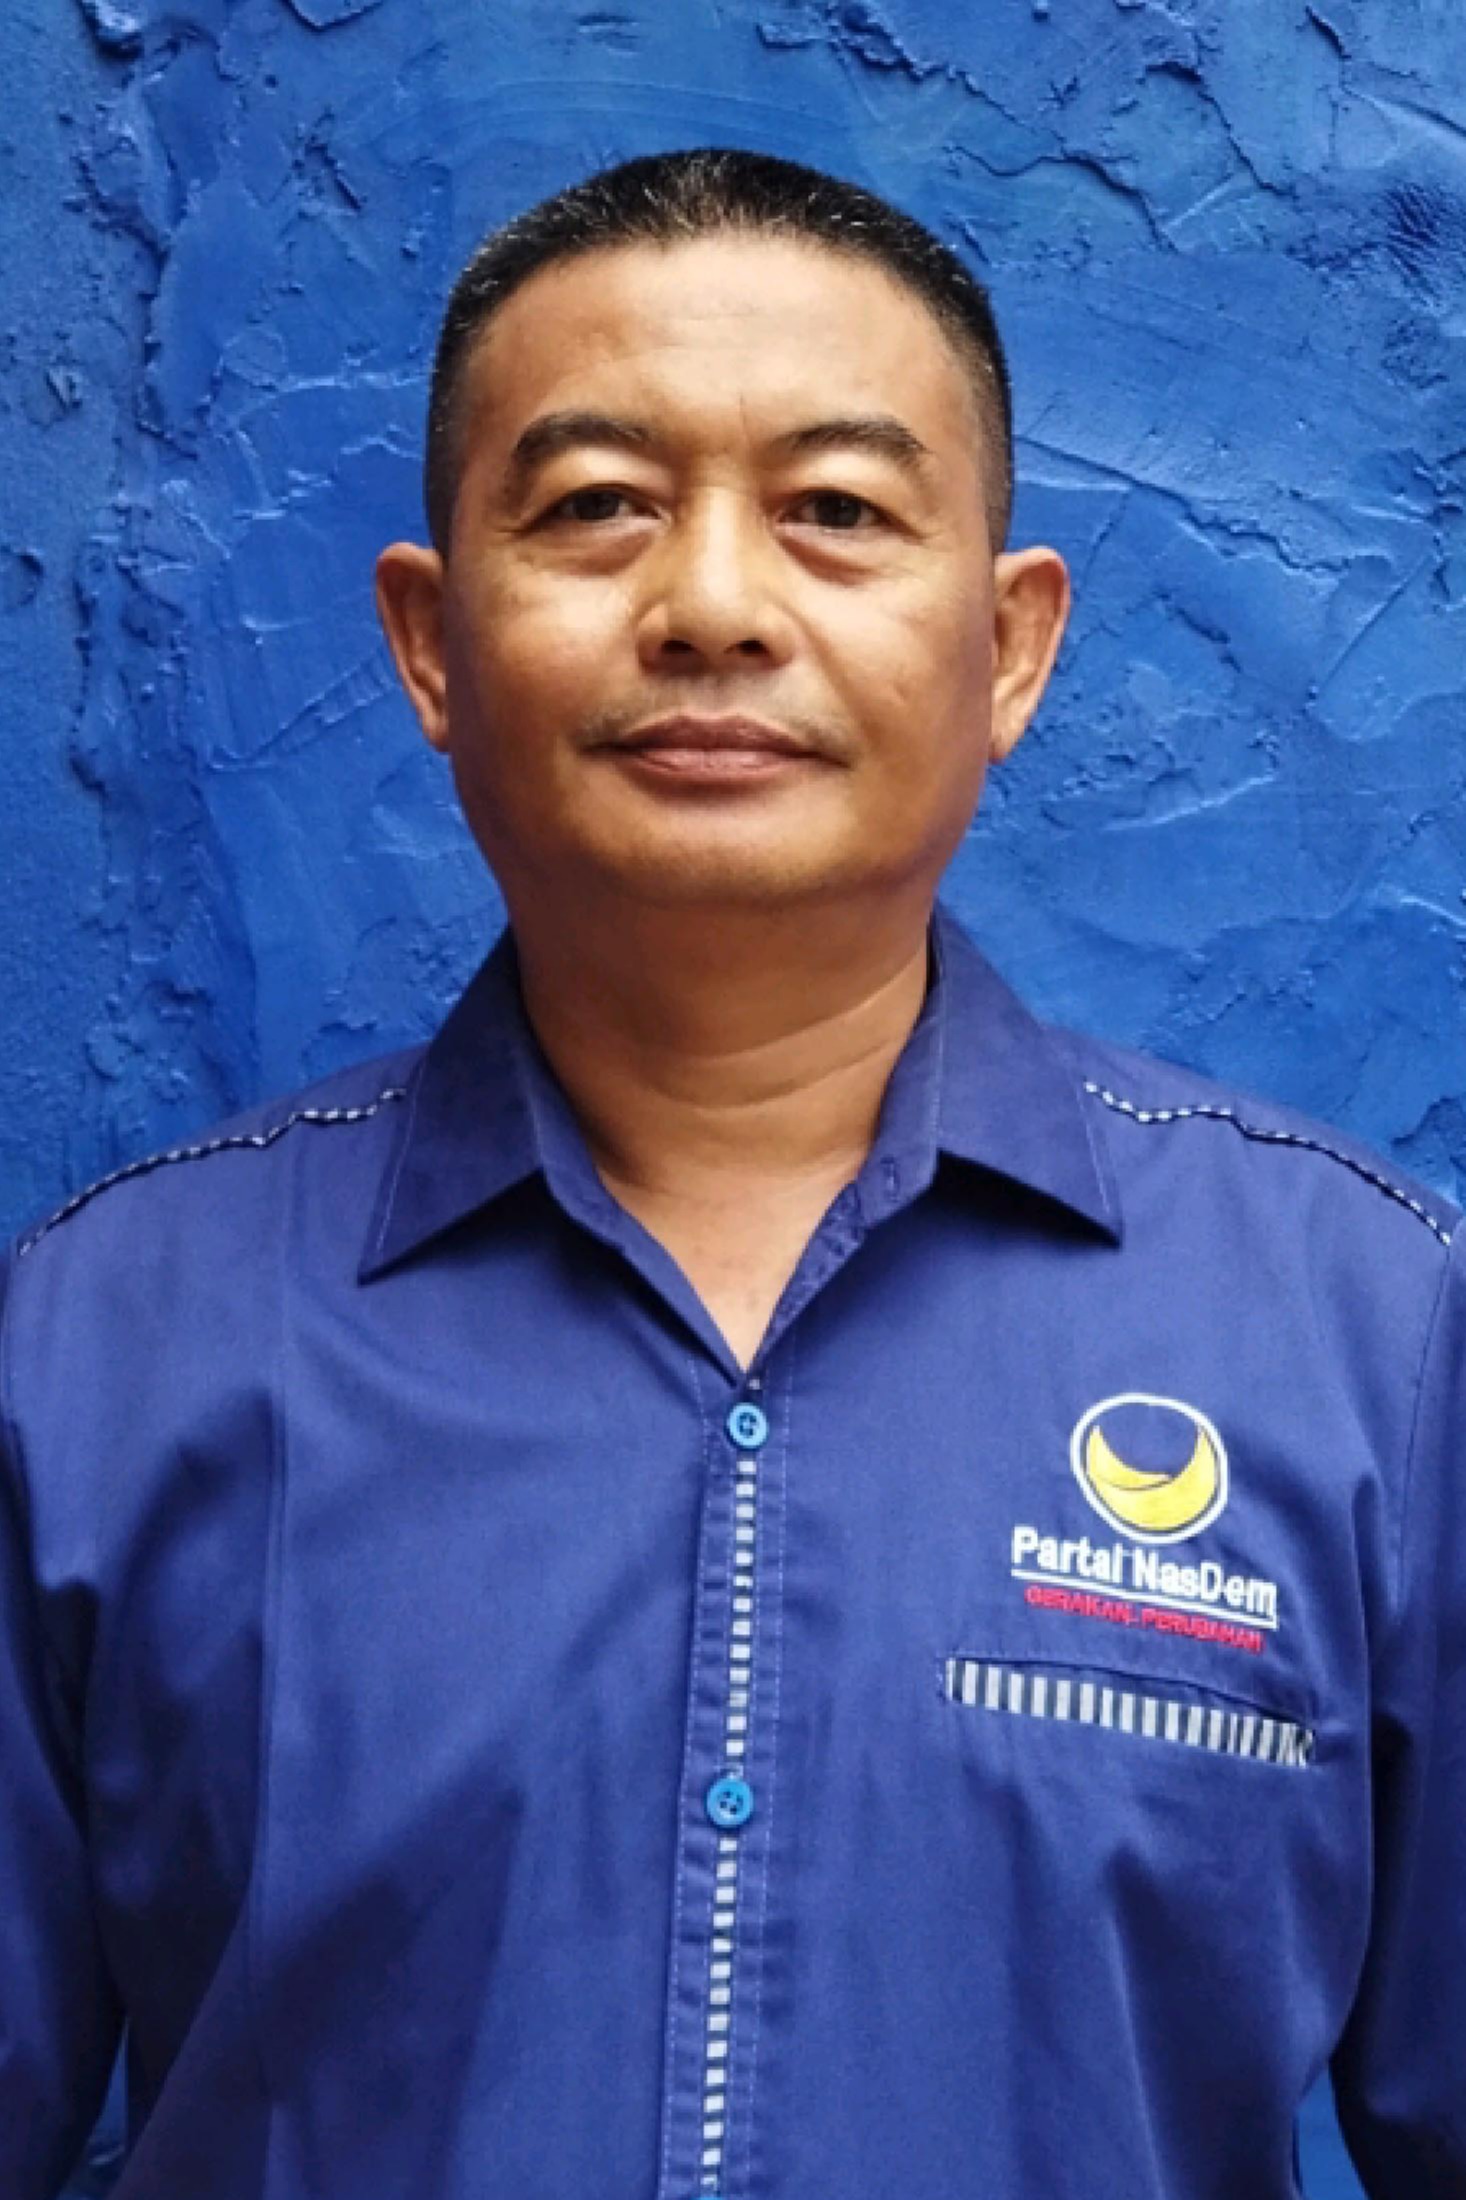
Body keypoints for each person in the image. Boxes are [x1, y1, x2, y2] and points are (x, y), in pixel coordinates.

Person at [2, 146, 1461, 2200]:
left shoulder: (1370, 1338)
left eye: (835, 512)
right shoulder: (97, 1345)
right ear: (430, 642)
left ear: (1010, 647)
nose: (708, 604)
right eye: (596, 504)